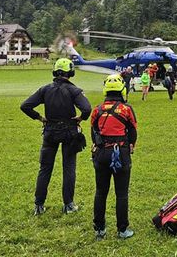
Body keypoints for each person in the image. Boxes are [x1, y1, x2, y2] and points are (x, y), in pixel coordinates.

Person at [20, 58, 91, 215]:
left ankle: (38, 205)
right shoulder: (74, 90)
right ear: (70, 72)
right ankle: (68, 204)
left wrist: (40, 117)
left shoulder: (45, 89)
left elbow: (25, 106)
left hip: (50, 132)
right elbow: (86, 108)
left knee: (45, 168)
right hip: (69, 133)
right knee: (69, 168)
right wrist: (80, 118)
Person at [90, 74, 137, 240]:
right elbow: (133, 132)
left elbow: (94, 133)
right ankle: (122, 230)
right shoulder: (126, 109)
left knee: (100, 192)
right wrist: (130, 146)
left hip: (101, 153)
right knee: (122, 194)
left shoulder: (97, 109)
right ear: (122, 89)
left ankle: (99, 230)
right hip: (121, 153)